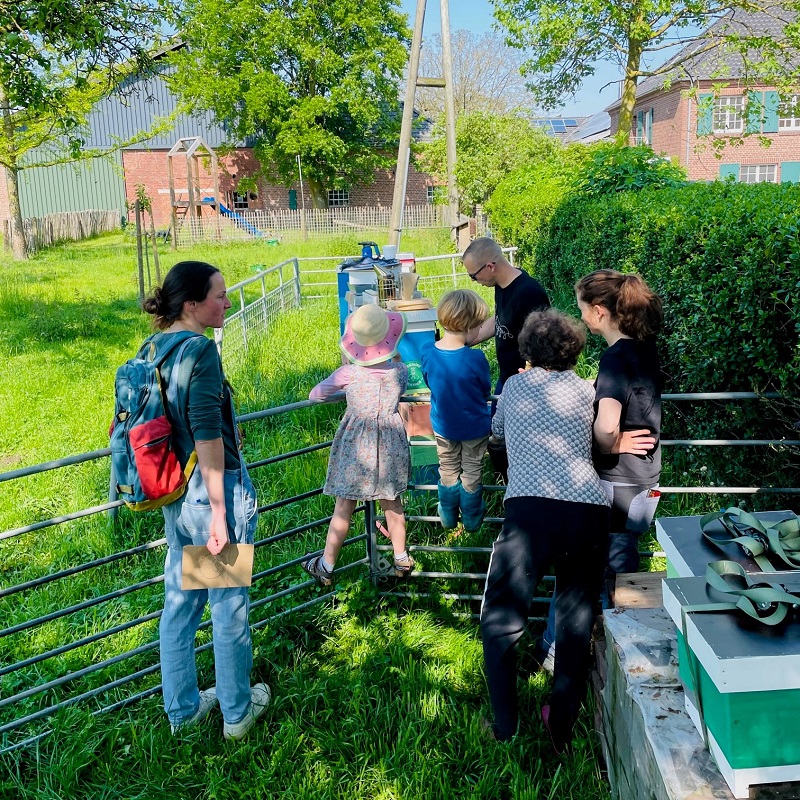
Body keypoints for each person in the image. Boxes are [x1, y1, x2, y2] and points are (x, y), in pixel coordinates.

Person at [142, 260, 269, 741]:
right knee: (227, 604)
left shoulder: (154, 347)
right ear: (192, 305)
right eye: (219, 295)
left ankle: (183, 710)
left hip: (176, 495)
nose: (228, 301)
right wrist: (220, 513)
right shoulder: (200, 352)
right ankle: (236, 714)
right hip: (213, 493)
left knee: (180, 604)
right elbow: (208, 438)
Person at [480, 308, 610, 751]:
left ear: (528, 351)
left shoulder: (513, 386)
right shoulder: (586, 389)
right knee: (576, 620)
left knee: (500, 618)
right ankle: (560, 725)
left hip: (530, 511)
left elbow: (495, 436)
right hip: (587, 509)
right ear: (573, 351)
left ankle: (505, 725)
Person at [538, 269, 663, 673]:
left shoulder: (612, 359)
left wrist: (610, 441)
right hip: (643, 481)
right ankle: (626, 651)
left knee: (586, 567)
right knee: (624, 570)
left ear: (598, 312)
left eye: (581, 309)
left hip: (614, 484)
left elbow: (608, 424)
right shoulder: (644, 349)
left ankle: (563, 653)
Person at [302, 303, 415, 585]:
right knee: (393, 503)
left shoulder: (349, 374)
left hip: (357, 447)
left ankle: (326, 565)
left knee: (344, 507)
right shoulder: (399, 372)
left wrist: (346, 366)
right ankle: (400, 557)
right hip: (390, 442)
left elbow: (316, 395)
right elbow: (397, 366)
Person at [461, 237, 550, 479]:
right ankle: (507, 484)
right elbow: (500, 319)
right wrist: (467, 340)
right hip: (506, 378)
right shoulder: (502, 285)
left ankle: (519, 486)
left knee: (516, 444)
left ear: (490, 266)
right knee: (498, 438)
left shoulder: (530, 293)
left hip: (526, 385)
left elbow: (543, 344)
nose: (474, 281)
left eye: (473, 275)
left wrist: (533, 377)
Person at [420, 289, 492, 532]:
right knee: (472, 468)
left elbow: (429, 381)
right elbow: (485, 388)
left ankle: (448, 513)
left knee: (448, 466)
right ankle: (472, 517)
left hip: (444, 426)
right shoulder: (475, 358)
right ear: (470, 326)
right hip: (475, 427)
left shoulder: (429, 353)